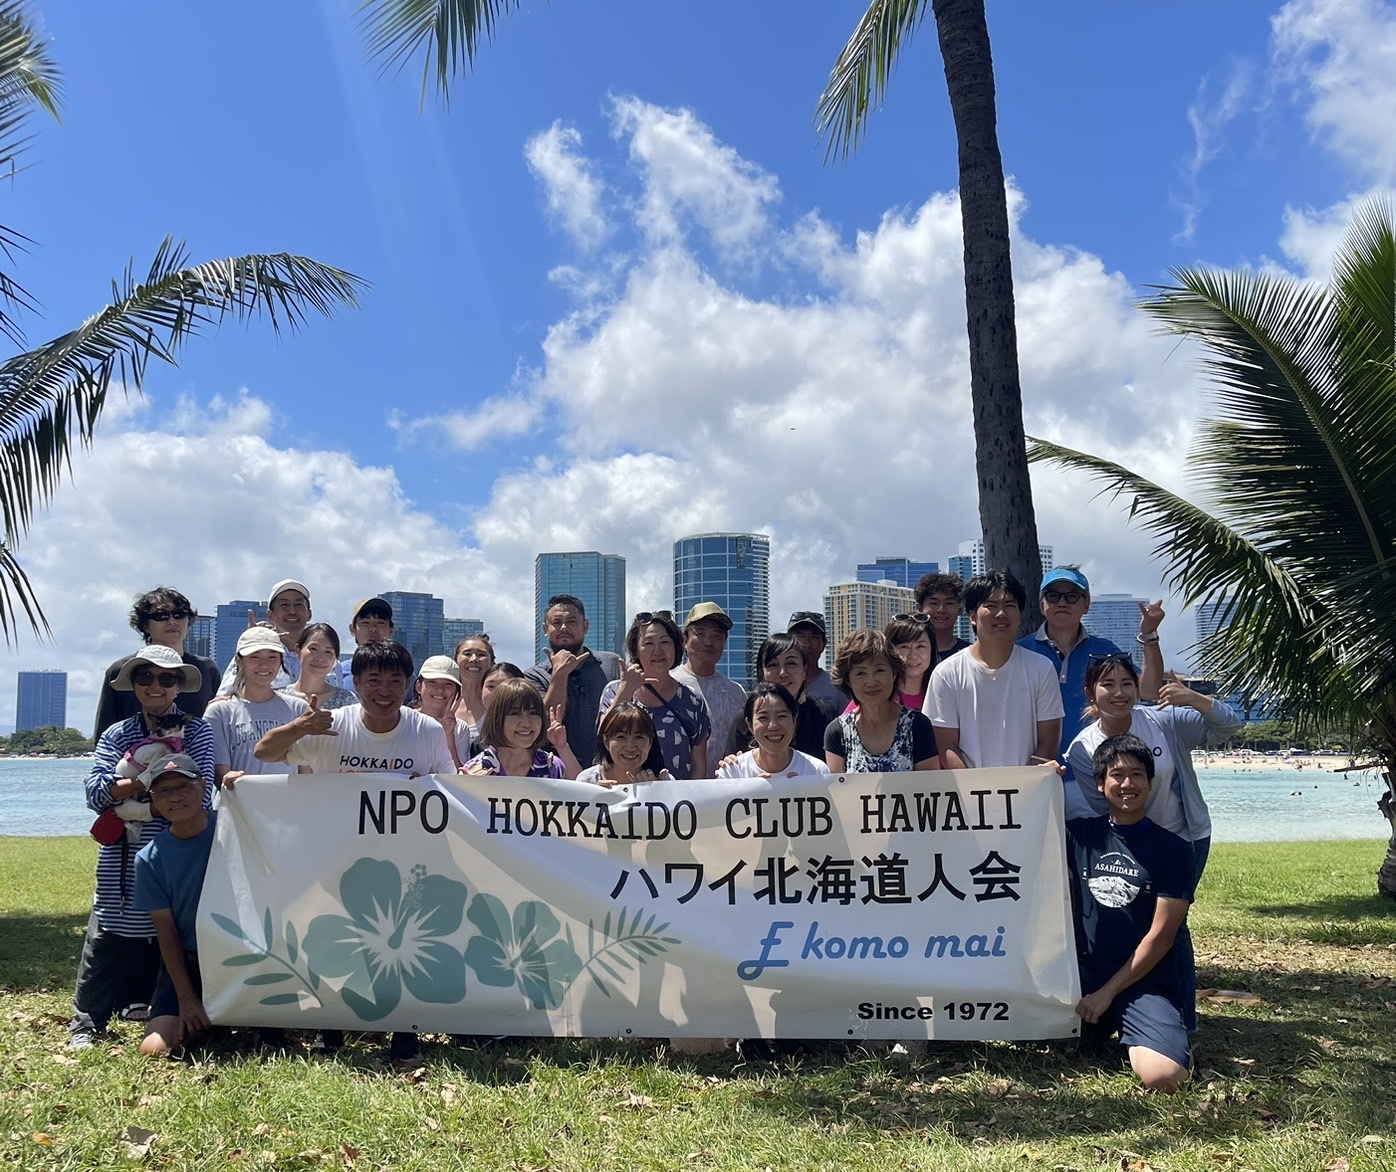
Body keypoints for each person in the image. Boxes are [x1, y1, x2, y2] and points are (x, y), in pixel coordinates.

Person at [253, 640, 454, 1064]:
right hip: (337, 859)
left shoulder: (427, 731)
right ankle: (331, 1028)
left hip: (406, 860)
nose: (384, 691)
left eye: (394, 681)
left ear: (409, 685)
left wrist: (425, 789)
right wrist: (299, 728)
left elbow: (452, 793)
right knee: (336, 941)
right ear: (356, 683)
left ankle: (404, 1031)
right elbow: (264, 752)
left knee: (401, 943)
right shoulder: (332, 726)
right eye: (373, 680)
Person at [1067, 653, 1244, 1034]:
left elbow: (1230, 725)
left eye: (1126, 684)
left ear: (1137, 688)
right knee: (1132, 922)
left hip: (1184, 838)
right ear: (1091, 693)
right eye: (1108, 685)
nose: (1119, 693)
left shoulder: (1164, 720)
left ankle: (1183, 1021)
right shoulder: (1083, 747)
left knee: (1173, 929)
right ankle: (1129, 1004)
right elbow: (1102, 804)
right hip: (1131, 844)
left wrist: (1193, 698)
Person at [70, 646, 215, 1050]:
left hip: (179, 857)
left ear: (178, 686)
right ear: (133, 685)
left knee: (177, 937)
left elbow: (201, 797)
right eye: (145, 677)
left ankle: (170, 1008)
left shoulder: (198, 731)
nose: (156, 686)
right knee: (109, 935)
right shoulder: (117, 734)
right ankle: (86, 1024)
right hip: (122, 859)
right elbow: (96, 793)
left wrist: (131, 801)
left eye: (167, 678)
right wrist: (152, 783)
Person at [1068, 734, 1193, 1093]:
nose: (1127, 784)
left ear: (1150, 783)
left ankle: (1154, 1034)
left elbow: (1161, 938)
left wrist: (1108, 992)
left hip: (1141, 981)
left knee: (1164, 1077)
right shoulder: (1077, 836)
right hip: (1080, 978)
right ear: (1100, 784)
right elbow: (1018, 827)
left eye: (1137, 775)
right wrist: (1040, 780)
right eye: (1117, 775)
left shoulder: (1174, 850)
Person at [924, 570, 1065, 769]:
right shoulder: (947, 673)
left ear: (1020, 616)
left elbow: (1048, 741)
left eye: (1009, 605)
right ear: (972, 616)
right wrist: (975, 785)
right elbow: (947, 746)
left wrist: (1025, 783)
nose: (1001, 614)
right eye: (991, 605)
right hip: (969, 787)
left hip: (1028, 786)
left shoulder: (1041, 668)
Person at [1018, 567, 1164, 754]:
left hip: (1092, 765)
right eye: (1053, 596)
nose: (1062, 602)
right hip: (1037, 765)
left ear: (1086, 605)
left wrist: (1149, 635)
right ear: (1041, 605)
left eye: (1072, 596)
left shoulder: (1104, 651)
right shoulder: (1019, 651)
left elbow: (1149, 691)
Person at [132, 753, 219, 1056]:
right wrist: (186, 996)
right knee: (154, 1049)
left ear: (203, 786)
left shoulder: (235, 827)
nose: (175, 797)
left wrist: (242, 787)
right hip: (191, 961)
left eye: (184, 786)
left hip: (245, 956)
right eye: (164, 791)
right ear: (153, 799)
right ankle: (203, 1016)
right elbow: (166, 933)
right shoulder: (149, 859)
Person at [93, 587, 221, 738]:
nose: (172, 621)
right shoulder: (122, 669)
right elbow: (104, 730)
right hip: (132, 751)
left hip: (199, 751)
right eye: (161, 616)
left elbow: (221, 723)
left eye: (179, 615)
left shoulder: (206, 669)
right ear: (145, 625)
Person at [600, 611, 711, 779]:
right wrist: (626, 690)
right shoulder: (614, 690)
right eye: (648, 643)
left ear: (676, 647)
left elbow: (698, 766)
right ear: (635, 650)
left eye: (665, 642)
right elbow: (602, 740)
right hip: (622, 793)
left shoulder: (693, 701)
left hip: (675, 794)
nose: (657, 651)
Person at [525, 594, 623, 771]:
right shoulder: (533, 676)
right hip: (555, 773)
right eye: (556, 622)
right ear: (546, 629)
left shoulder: (612, 664)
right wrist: (559, 674)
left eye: (571, 621)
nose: (564, 628)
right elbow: (543, 725)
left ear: (585, 626)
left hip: (610, 770)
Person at [205, 627, 309, 788]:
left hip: (289, 802)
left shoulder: (299, 708)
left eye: (272, 657)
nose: (264, 665)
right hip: (239, 802)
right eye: (254, 657)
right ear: (239, 661)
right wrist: (227, 779)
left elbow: (306, 770)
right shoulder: (219, 712)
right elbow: (219, 772)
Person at [825, 630, 939, 773]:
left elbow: (930, 784)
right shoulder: (837, 732)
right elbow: (836, 785)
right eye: (860, 673)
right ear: (848, 680)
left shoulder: (917, 725)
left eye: (879, 670)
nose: (871, 682)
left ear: (894, 673)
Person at [731, 633, 835, 760]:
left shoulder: (824, 716)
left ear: (804, 670)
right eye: (773, 665)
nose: (782, 673)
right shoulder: (744, 719)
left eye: (791, 663)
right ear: (762, 672)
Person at [671, 602, 746, 763]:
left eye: (716, 636)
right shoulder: (669, 683)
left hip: (727, 778)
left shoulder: (736, 693)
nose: (709, 642)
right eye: (700, 634)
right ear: (685, 640)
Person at [463, 678, 580, 778]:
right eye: (515, 713)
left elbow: (581, 789)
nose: (526, 723)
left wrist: (562, 747)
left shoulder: (553, 766)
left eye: (533, 713)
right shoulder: (474, 770)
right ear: (497, 718)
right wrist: (470, 787)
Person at [215, 579, 313, 694]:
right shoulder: (251, 653)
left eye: (298, 605)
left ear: (309, 614)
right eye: (284, 605)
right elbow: (225, 696)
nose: (292, 611)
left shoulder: (323, 655)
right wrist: (253, 644)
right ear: (270, 614)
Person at [718, 683, 831, 779]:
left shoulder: (817, 772)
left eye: (781, 716)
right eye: (763, 718)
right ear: (750, 725)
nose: (773, 726)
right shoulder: (732, 773)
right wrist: (752, 790)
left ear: (794, 720)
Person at [577, 702, 668, 786]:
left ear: (650, 742)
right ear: (606, 741)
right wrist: (594, 795)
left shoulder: (664, 780)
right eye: (621, 737)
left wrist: (655, 792)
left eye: (639, 737)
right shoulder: (587, 781)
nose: (630, 747)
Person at [279, 622, 358, 711]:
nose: (320, 658)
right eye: (313, 649)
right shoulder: (279, 698)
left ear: (335, 659)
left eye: (328, 652)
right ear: (298, 650)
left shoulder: (347, 701)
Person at [414, 654, 471, 771]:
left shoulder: (460, 727)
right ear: (418, 686)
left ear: (457, 691)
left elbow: (459, 775)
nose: (440, 689)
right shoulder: (404, 720)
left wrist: (448, 736)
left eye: (448, 684)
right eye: (432, 682)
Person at [787, 611, 843, 711]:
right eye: (800, 637)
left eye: (814, 637)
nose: (807, 644)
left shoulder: (837, 685)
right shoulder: (779, 681)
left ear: (824, 644)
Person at [336, 597, 395, 692]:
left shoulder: (404, 674)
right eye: (365, 623)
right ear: (352, 629)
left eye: (380, 623)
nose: (373, 629)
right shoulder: (338, 673)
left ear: (391, 631)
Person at [914, 571, 973, 665]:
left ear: (960, 610)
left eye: (949, 603)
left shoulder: (971, 655)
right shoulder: (905, 653)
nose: (941, 610)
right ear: (919, 608)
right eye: (934, 603)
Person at [453, 634, 496, 735]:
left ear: (492, 663)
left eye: (481, 654)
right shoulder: (443, 702)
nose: (474, 659)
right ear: (455, 661)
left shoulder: (498, 705)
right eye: (467, 654)